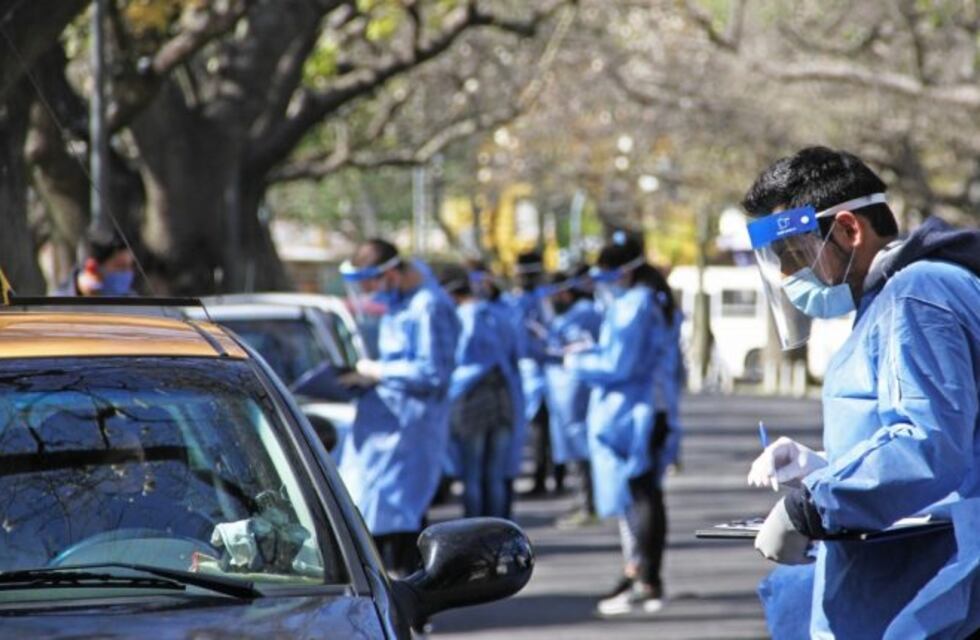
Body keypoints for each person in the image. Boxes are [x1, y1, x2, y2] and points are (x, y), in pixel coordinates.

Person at [742, 146, 980, 639]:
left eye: (798, 253)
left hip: (934, 591)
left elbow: (927, 444)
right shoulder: (895, 298)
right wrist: (827, 464)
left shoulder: (917, 294)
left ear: (850, 229)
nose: (790, 275)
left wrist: (812, 504)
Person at [336, 239, 461, 576]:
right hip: (386, 424)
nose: (370, 293)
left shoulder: (429, 307)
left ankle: (410, 610)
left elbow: (434, 372)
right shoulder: (402, 304)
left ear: (390, 274)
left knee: (399, 517)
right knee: (373, 512)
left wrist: (380, 371)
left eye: (371, 284)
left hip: (410, 428)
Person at [565, 233, 673, 616]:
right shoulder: (644, 301)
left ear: (621, 273)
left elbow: (619, 365)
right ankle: (643, 576)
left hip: (636, 413)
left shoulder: (635, 305)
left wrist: (577, 362)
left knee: (638, 497)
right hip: (643, 409)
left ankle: (640, 577)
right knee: (643, 495)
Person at [442, 265, 522, 519]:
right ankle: (499, 530)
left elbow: (457, 360)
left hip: (471, 399)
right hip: (504, 396)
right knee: (496, 474)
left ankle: (475, 532)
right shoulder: (501, 314)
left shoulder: (461, 317)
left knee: (472, 474)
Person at [543, 267, 603, 528]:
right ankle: (583, 502)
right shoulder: (576, 314)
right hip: (564, 392)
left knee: (581, 452)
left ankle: (588, 505)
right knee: (574, 453)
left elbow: (574, 347)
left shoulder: (583, 315)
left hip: (575, 393)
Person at [505, 251, 562, 495]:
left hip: (545, 372)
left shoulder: (538, 300)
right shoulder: (537, 298)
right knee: (545, 429)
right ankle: (548, 476)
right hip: (538, 373)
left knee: (547, 429)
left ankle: (548, 477)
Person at [56, 229, 136, 296]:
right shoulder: (55, 309)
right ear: (92, 267)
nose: (128, 272)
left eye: (130, 266)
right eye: (120, 266)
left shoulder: (134, 305)